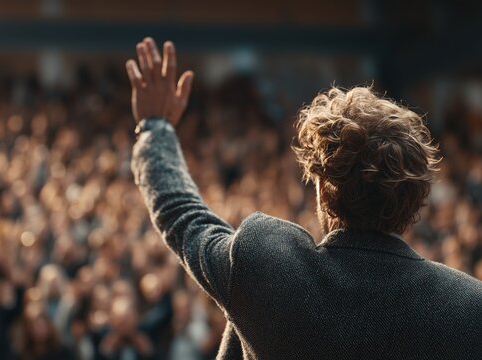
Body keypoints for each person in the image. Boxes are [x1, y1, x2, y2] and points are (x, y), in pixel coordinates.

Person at [125, 37, 482, 359]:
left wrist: (155, 126)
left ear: (324, 190)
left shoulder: (269, 270)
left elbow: (183, 215)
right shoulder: (468, 307)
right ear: (415, 199)